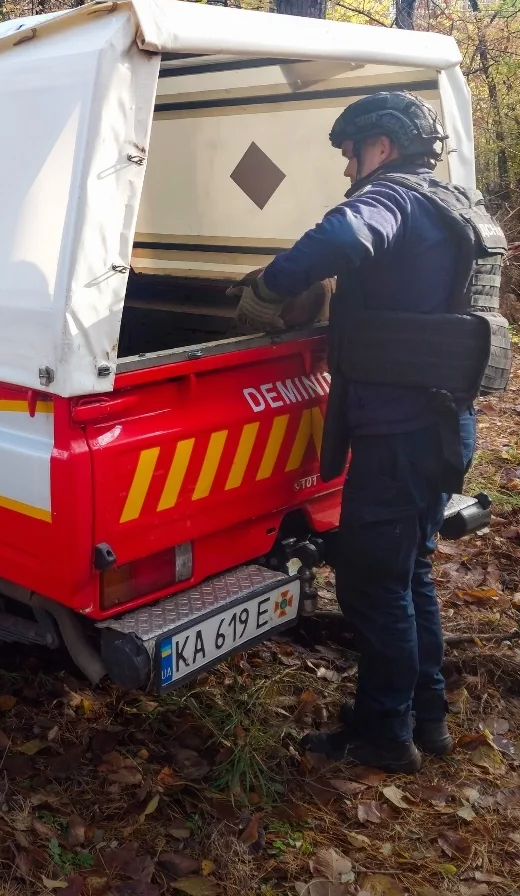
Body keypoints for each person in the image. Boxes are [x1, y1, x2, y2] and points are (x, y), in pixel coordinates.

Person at [234, 91, 510, 773]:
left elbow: (343, 236)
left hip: (400, 432)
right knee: (408, 576)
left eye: (350, 155)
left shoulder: (393, 199)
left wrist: (269, 288)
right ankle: (429, 717)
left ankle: (384, 734)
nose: (348, 171)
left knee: (373, 586)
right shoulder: (455, 208)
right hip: (443, 425)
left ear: (381, 147)